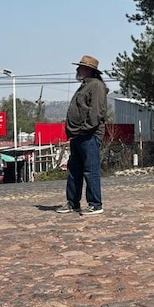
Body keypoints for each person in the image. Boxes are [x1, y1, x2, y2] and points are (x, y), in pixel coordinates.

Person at [57, 55, 109, 216]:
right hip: (78, 135)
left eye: (80, 67)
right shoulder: (85, 85)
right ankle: (73, 202)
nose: (77, 70)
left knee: (90, 170)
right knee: (74, 170)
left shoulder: (96, 86)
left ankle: (95, 203)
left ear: (88, 70)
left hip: (89, 135)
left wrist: (85, 129)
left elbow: (96, 112)